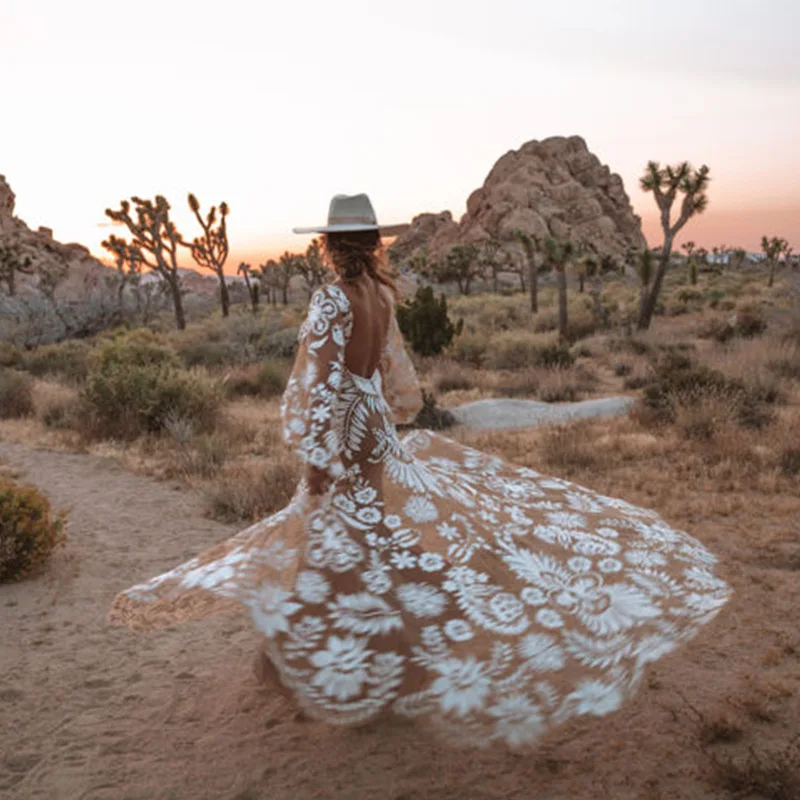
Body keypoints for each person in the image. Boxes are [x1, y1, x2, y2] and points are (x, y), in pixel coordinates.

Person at [109, 193, 731, 749]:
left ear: (327, 245)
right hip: (375, 427)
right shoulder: (380, 295)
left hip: (345, 431)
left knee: (332, 539)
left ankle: (323, 671)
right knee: (361, 536)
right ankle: (367, 662)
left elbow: (318, 383)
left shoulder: (332, 298)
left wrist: (317, 456)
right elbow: (388, 376)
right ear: (373, 244)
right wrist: (368, 422)